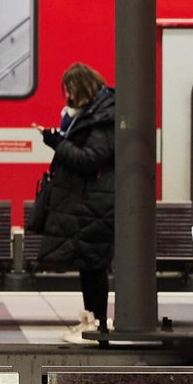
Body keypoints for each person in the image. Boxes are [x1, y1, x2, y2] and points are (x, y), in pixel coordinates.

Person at [33, 63, 115, 344]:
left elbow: (90, 159)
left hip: (97, 204)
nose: (67, 98)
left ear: (81, 88)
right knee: (88, 264)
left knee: (94, 266)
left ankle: (99, 324)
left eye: (70, 91)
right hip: (87, 203)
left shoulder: (102, 119)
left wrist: (57, 143)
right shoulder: (94, 115)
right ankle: (90, 321)